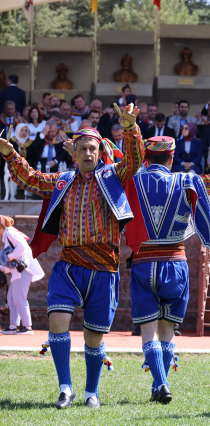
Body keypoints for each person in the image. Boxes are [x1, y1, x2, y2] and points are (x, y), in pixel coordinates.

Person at [0, 104, 143, 409]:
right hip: (67, 264)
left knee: (93, 338)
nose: (88, 154)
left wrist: (130, 128)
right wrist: (12, 155)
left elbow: (133, 161)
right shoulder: (62, 181)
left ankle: (92, 392)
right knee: (57, 323)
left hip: (104, 268)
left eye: (93, 149)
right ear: (74, 153)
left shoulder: (111, 176)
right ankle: (66, 388)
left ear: (98, 151)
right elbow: (32, 180)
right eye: (83, 150)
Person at [124, 116, 210, 402]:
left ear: (147, 157)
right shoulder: (188, 180)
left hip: (143, 262)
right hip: (175, 263)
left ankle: (159, 385)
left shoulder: (131, 181)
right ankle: (159, 386)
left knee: (148, 329)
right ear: (172, 157)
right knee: (167, 329)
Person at [0, 216, 45, 335]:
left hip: (22, 271)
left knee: (19, 299)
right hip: (19, 271)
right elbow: (15, 258)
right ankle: (13, 326)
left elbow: (22, 247)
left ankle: (27, 327)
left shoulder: (9, 233)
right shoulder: (10, 233)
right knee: (12, 299)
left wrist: (8, 257)